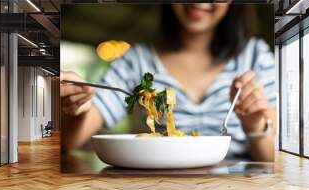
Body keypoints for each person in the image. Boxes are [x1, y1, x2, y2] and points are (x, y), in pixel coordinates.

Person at [61, 3, 277, 162]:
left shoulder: (255, 56)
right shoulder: (137, 60)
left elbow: (271, 158)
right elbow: (71, 140)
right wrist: (78, 104)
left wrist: (255, 126)